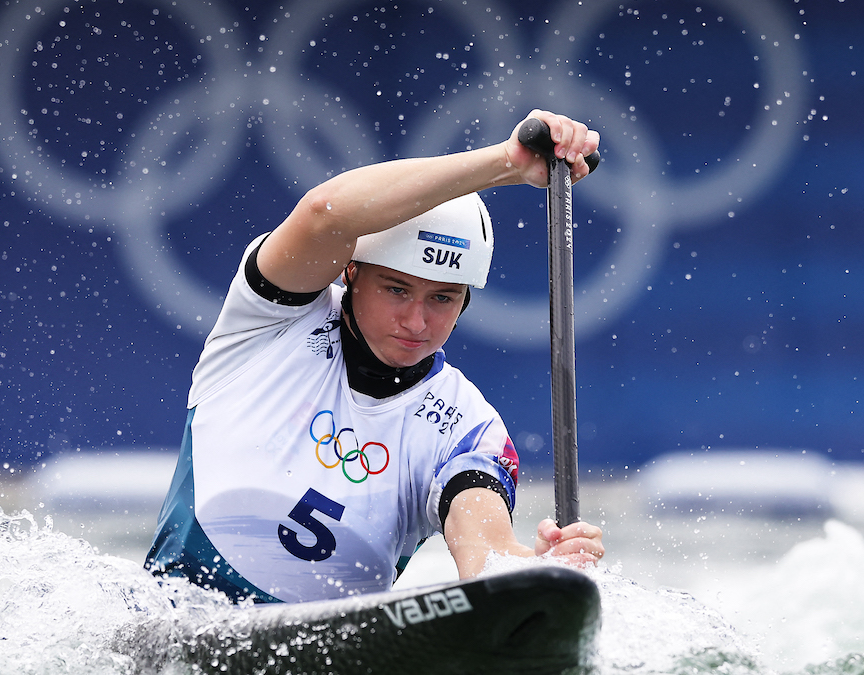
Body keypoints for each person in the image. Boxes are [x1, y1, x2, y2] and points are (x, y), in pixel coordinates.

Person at [145, 109, 605, 603]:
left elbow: (485, 557)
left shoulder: (467, 426)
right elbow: (326, 213)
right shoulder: (270, 322)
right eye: (396, 289)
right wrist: (507, 163)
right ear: (351, 273)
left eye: (442, 298)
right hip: (168, 623)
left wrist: (541, 571)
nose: (416, 321)